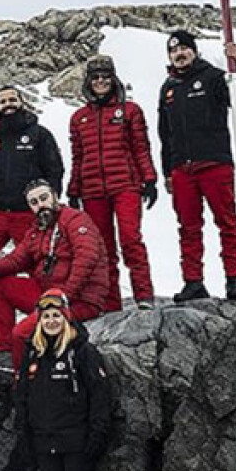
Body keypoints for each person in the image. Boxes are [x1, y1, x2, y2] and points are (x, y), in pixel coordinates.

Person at [13, 289, 111, 471]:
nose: (52, 321)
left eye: (56, 315)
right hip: (44, 441)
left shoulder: (82, 352)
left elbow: (100, 395)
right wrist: (24, 437)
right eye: (46, 316)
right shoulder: (35, 353)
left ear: (66, 318)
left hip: (76, 441)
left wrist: (97, 434)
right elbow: (22, 397)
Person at [158, 31, 236, 303]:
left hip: (214, 163)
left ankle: (234, 279)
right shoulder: (168, 88)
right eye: (174, 51)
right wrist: (167, 171)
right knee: (187, 227)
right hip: (181, 169)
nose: (180, 54)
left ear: (194, 52)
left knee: (227, 222)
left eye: (185, 49)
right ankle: (193, 281)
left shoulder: (213, 77)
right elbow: (165, 134)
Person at [0, 86, 64, 334]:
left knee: (36, 262)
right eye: (3, 101)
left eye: (12, 99)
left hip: (27, 215)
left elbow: (54, 169)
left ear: (21, 102)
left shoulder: (39, 135)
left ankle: (44, 311)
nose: (8, 104)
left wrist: (49, 204)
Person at [0, 179, 109, 368]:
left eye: (44, 198)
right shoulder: (36, 229)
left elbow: (86, 259)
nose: (40, 205)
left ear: (55, 196)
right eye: (34, 202)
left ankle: (20, 378)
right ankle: (4, 351)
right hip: (48, 295)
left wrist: (65, 296)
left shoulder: (75, 220)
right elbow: (16, 259)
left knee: (21, 333)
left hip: (79, 300)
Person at [67, 56, 158, 311]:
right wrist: (73, 189)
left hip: (126, 186)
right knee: (103, 249)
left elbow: (141, 148)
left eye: (105, 76)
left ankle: (144, 296)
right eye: (95, 77)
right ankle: (110, 303)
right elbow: (78, 156)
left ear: (113, 79)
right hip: (92, 190)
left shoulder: (130, 111)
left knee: (131, 239)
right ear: (88, 81)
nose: (100, 81)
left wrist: (149, 179)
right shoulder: (79, 118)